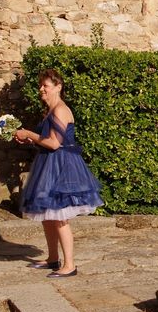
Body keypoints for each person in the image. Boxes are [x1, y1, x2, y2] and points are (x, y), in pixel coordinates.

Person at [15, 69, 103, 278]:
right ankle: (53, 258)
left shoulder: (61, 110)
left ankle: (69, 265)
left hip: (62, 166)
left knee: (60, 215)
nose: (41, 89)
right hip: (49, 164)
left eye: (45, 85)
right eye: (41, 86)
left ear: (58, 87)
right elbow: (48, 141)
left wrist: (29, 133)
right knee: (48, 215)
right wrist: (32, 139)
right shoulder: (51, 111)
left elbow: (55, 144)